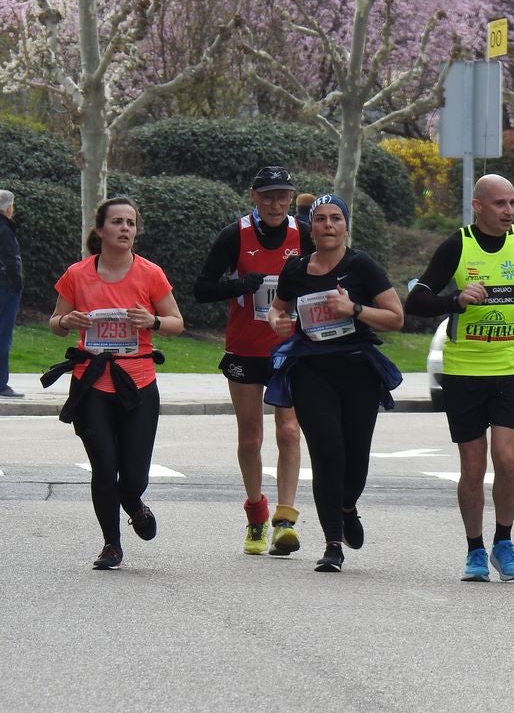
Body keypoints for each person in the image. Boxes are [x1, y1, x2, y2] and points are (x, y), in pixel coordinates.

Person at [404, 174, 514, 582]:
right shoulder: (457, 245)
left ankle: (503, 542)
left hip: (512, 365)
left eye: (513, 202)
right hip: (465, 370)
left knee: (506, 458)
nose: (509, 211)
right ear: (478, 206)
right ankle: (474, 548)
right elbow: (416, 300)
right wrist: (455, 299)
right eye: (500, 204)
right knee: (472, 468)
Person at [42, 197, 185, 569]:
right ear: (101, 229)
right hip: (91, 384)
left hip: (137, 383)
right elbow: (55, 323)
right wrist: (68, 321)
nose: (125, 229)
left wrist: (151, 322)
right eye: (118, 222)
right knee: (104, 468)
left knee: (133, 476)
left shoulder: (151, 273)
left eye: (131, 223)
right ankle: (111, 545)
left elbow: (176, 322)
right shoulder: (77, 274)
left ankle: (134, 503)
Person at [265, 195, 404, 573]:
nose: (328, 225)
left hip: (357, 369)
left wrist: (354, 309)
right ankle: (331, 545)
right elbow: (278, 309)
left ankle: (347, 507)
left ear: (345, 226)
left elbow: (395, 317)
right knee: (327, 452)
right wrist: (277, 322)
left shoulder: (361, 266)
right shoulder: (295, 269)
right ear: (312, 226)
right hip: (312, 369)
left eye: (335, 219)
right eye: (321, 219)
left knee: (355, 458)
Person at [195, 166, 313, 557]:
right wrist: (237, 286)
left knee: (289, 431)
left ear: (291, 198)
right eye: (268, 197)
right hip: (246, 347)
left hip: (289, 348)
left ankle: (285, 520)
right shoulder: (236, 235)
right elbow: (202, 288)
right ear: (254, 197)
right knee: (251, 435)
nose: (276, 204)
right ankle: (256, 514)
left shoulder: (304, 235)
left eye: (283, 196)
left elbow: (326, 278)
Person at [0, 189, 22, 398]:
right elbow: (10, 260)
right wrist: (18, 283)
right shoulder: (5, 229)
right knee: (3, 334)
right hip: (5, 287)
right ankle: (1, 383)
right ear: (8, 208)